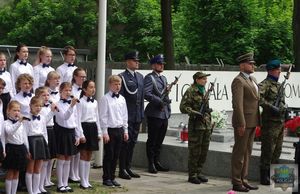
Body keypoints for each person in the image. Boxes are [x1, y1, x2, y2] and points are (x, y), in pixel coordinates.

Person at [231, 52, 260, 192]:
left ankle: (244, 179)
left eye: (253, 63)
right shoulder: (238, 81)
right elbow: (237, 104)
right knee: (239, 152)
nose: (253, 65)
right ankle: (236, 182)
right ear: (242, 65)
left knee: (247, 152)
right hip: (244, 122)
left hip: (253, 120)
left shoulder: (252, 79)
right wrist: (241, 123)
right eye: (250, 63)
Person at [180, 72, 212, 184]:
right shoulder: (191, 91)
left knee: (204, 151)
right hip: (196, 126)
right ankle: (192, 175)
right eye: (203, 79)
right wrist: (195, 113)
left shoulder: (204, 91)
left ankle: (198, 172)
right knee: (195, 151)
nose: (205, 81)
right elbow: (183, 107)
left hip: (206, 125)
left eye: (205, 79)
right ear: (197, 80)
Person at [258, 59, 286, 185]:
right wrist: (271, 107)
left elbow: (282, 101)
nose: (280, 71)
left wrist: (283, 107)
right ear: (271, 70)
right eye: (278, 69)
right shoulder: (265, 84)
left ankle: (275, 176)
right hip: (269, 122)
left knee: (277, 150)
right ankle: (264, 176)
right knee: (268, 150)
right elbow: (258, 98)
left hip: (279, 122)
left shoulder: (279, 85)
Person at [99, 75, 129, 187]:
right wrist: (105, 132)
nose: (117, 86)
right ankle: (106, 178)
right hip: (110, 130)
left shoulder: (122, 99)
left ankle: (112, 177)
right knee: (109, 155)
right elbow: (103, 116)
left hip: (119, 129)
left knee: (116, 155)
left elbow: (124, 115)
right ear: (110, 85)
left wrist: (125, 130)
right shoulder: (105, 98)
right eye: (115, 84)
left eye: (119, 84)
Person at [118, 51, 144, 179]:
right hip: (127, 116)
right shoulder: (122, 77)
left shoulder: (140, 77)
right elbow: (121, 100)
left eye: (138, 60)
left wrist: (141, 115)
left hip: (137, 116)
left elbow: (142, 97)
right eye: (135, 60)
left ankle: (128, 167)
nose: (137, 62)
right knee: (125, 143)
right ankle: (122, 168)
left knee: (133, 143)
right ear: (128, 62)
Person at [144, 54, 171, 174]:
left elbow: (165, 94)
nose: (162, 65)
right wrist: (159, 101)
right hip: (154, 113)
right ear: (153, 65)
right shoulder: (150, 78)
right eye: (159, 63)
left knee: (160, 140)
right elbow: (147, 93)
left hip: (164, 113)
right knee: (152, 140)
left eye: (163, 64)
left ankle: (157, 161)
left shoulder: (163, 78)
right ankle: (151, 163)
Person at [23, 96, 55, 194]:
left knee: (38, 168)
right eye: (36, 105)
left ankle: (36, 189)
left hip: (41, 142)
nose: (38, 108)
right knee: (30, 168)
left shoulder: (42, 118)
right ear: (30, 106)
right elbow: (24, 134)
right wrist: (27, 149)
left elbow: (44, 132)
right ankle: (31, 191)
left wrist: (45, 144)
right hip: (31, 142)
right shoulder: (26, 118)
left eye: (40, 106)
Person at [54, 82, 81, 193]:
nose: (68, 92)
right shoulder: (57, 104)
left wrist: (77, 135)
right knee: (61, 158)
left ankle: (65, 183)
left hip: (71, 132)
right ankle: (60, 184)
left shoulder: (72, 104)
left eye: (70, 90)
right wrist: (71, 106)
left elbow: (75, 120)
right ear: (60, 92)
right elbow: (64, 117)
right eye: (66, 90)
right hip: (62, 132)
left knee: (68, 158)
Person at [77, 80, 101, 189]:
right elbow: (77, 119)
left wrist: (99, 132)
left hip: (93, 128)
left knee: (89, 155)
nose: (93, 89)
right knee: (83, 154)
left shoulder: (95, 102)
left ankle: (87, 180)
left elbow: (97, 118)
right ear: (84, 89)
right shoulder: (80, 102)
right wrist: (81, 134)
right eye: (90, 87)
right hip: (84, 127)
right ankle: (82, 181)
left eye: (94, 87)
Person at [2, 101, 28, 194]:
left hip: (20, 148)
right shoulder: (5, 123)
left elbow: (24, 136)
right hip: (11, 149)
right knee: (10, 172)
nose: (17, 112)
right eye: (14, 110)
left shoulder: (21, 123)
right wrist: (19, 122)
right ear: (8, 111)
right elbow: (10, 132)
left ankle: (14, 192)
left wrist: (27, 149)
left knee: (17, 172)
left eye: (18, 110)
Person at [35, 87, 58, 191]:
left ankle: (46, 179)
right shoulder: (40, 109)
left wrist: (53, 109)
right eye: (43, 95)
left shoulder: (49, 106)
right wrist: (52, 112)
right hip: (44, 132)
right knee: (43, 160)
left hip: (51, 130)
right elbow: (44, 121)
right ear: (38, 97)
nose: (46, 97)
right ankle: (41, 183)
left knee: (49, 158)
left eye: (48, 95)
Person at [69, 67, 87, 183]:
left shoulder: (84, 90)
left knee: (80, 151)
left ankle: (76, 173)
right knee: (74, 150)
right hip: (74, 121)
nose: (83, 79)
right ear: (75, 77)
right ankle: (71, 174)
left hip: (84, 120)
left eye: (85, 77)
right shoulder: (72, 91)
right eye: (81, 77)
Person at [0, 53, 13, 119]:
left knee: (7, 116)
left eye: (4, 60)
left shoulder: (8, 74)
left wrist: (12, 98)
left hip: (7, 97)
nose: (3, 62)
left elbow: (11, 88)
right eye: (0, 60)